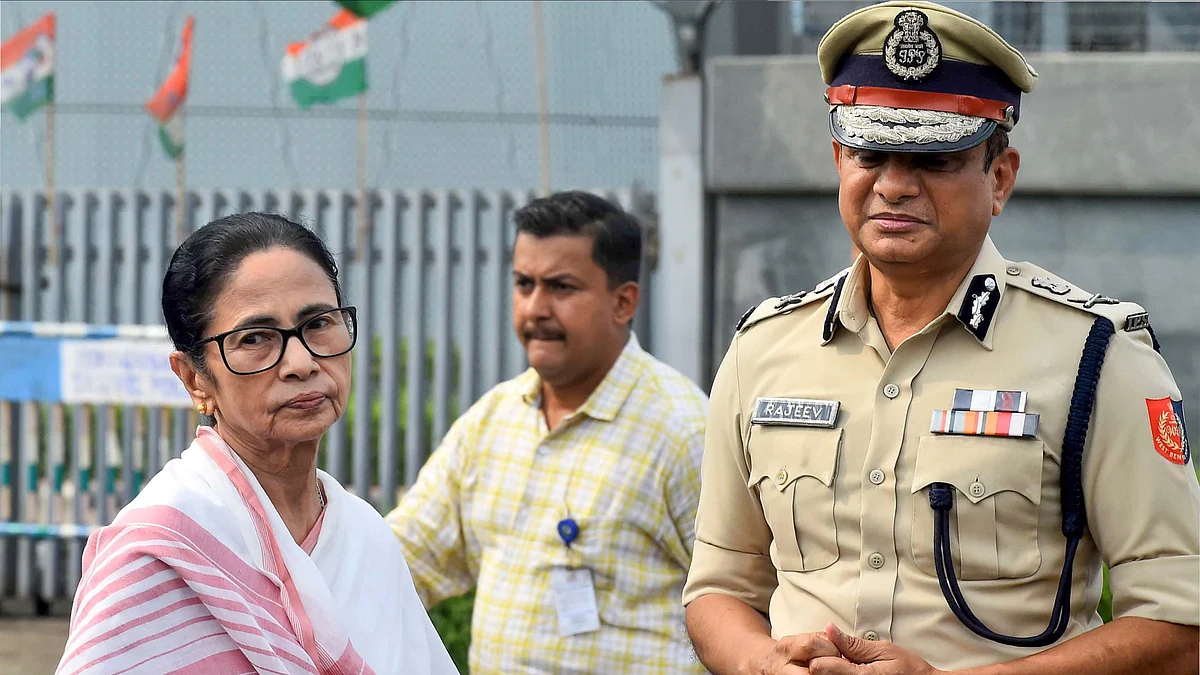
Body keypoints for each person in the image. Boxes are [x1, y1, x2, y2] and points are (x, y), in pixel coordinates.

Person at [683, 2, 1200, 674]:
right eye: (870, 154)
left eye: (935, 159)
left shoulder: (1097, 358)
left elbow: (1179, 624)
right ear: (839, 160)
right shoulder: (763, 349)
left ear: (1000, 178)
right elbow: (719, 586)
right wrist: (763, 663)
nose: (894, 186)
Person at [56, 213, 458, 675]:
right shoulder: (159, 553)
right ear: (194, 379)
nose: (301, 363)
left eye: (319, 323)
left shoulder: (365, 537)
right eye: (255, 338)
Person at [385, 191, 709, 674]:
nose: (535, 308)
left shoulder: (682, 430)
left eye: (561, 287)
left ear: (623, 302)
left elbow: (742, 598)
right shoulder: (494, 420)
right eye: (524, 284)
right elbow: (405, 560)